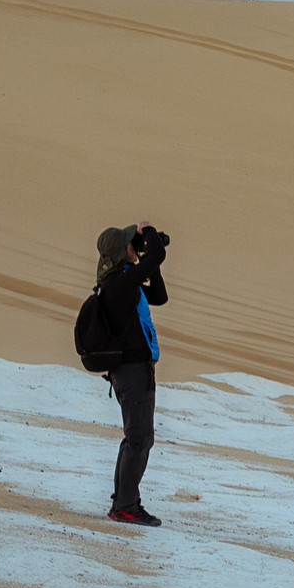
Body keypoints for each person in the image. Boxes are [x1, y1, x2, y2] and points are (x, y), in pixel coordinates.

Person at [92, 223, 171, 525]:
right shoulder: (118, 284)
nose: (134, 245)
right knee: (139, 439)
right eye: (130, 243)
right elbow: (159, 256)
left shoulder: (124, 283)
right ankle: (125, 506)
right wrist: (149, 235)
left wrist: (145, 256)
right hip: (132, 371)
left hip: (135, 371)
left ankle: (123, 502)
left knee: (136, 438)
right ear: (120, 251)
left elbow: (160, 295)